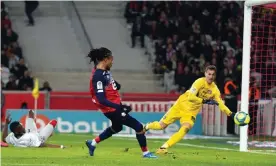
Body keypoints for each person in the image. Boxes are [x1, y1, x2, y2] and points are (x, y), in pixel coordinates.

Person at [144, 65, 237, 154]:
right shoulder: (199, 82)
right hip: (180, 105)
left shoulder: (215, 90)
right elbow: (190, 97)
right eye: (209, 74)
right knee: (161, 126)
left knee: (185, 129)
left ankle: (163, 147)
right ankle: (147, 127)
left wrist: (231, 114)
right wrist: (204, 101)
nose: (211, 76)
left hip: (191, 112)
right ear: (205, 74)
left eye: (213, 74)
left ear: (215, 76)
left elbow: (220, 104)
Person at [85, 47, 157, 158]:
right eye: (111, 59)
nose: (112, 61)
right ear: (105, 59)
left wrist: (115, 84)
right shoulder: (98, 76)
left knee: (117, 128)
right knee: (139, 127)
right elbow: (101, 99)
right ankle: (146, 153)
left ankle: (93, 143)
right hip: (112, 109)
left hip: (114, 107)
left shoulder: (104, 71)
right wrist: (119, 107)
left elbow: (108, 81)